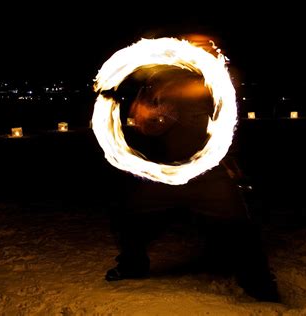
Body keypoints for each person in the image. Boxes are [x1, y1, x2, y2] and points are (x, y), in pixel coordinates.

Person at [104, 65, 279, 302]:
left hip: (208, 174)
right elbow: (149, 128)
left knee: (239, 226)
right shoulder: (159, 85)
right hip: (166, 173)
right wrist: (148, 116)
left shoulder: (213, 84)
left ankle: (258, 282)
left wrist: (233, 165)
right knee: (128, 215)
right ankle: (132, 264)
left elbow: (229, 126)